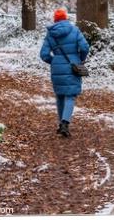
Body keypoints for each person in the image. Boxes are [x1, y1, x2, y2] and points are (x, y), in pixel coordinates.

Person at [39, 8, 90, 137]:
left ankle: (61, 124)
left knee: (60, 96)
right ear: (66, 18)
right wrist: (81, 59)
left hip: (57, 68)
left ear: (55, 20)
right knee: (70, 96)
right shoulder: (74, 30)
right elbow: (84, 47)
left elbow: (44, 54)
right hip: (72, 66)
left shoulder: (51, 34)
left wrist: (55, 61)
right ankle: (65, 123)